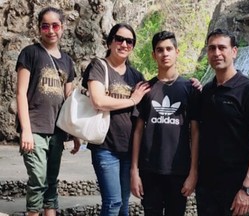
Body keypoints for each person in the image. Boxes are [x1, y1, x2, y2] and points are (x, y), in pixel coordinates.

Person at [196, 28, 249, 216]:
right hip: (207, 187)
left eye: (222, 47)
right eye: (212, 48)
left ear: (234, 51)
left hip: (237, 188)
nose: (216, 53)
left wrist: (248, 188)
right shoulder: (207, 91)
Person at [16, 7, 80, 216]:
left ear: (62, 28)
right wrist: (25, 130)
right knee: (38, 178)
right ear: (39, 28)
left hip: (57, 130)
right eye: (45, 26)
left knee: (51, 181)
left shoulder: (67, 61)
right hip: (34, 127)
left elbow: (69, 100)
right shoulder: (30, 53)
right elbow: (21, 93)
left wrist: (75, 133)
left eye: (55, 25)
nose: (50, 30)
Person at [81, 23, 151, 216]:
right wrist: (131, 99)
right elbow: (98, 100)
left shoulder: (135, 75)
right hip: (105, 147)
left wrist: (191, 85)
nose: (124, 44)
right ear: (110, 42)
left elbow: (156, 91)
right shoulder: (99, 66)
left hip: (129, 149)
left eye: (129, 41)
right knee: (113, 202)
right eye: (119, 39)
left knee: (124, 204)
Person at [130, 31, 200, 216]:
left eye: (169, 49)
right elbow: (138, 131)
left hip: (179, 170)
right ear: (154, 55)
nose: (165, 53)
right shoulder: (145, 89)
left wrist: (193, 173)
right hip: (149, 169)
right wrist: (134, 171)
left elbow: (195, 132)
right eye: (160, 50)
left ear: (177, 51)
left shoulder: (190, 89)